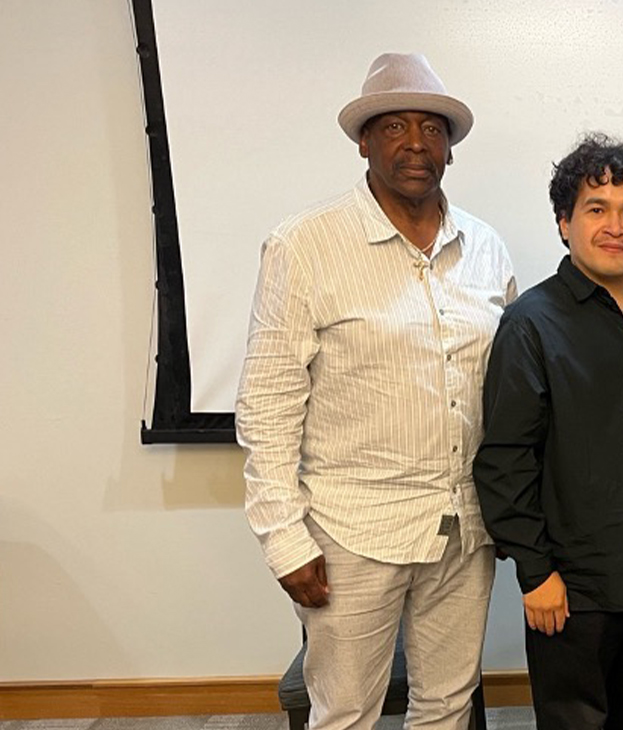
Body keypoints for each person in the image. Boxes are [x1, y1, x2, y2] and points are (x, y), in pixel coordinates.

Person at [236, 52, 514, 730]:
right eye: (393, 126)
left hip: (465, 529)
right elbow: (267, 400)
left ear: (450, 148)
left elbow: (509, 393)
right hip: (351, 535)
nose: (415, 143)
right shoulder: (305, 244)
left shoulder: (485, 248)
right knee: (347, 712)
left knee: (447, 706)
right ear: (363, 141)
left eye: (431, 128)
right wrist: (284, 539)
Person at [474, 133, 623, 730]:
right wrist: (534, 571)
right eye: (596, 209)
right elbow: (504, 460)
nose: (615, 226)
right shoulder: (529, 326)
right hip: (572, 589)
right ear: (563, 223)